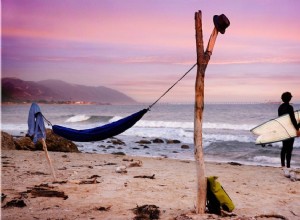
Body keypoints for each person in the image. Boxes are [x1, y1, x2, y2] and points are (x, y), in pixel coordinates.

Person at [278, 92, 300, 168]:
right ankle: (288, 166)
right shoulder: (290, 107)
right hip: (290, 130)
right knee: (289, 148)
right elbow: (293, 119)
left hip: (283, 129)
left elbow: (280, 119)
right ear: (289, 98)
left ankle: (282, 165)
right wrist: (297, 129)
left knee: (284, 147)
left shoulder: (280, 107)